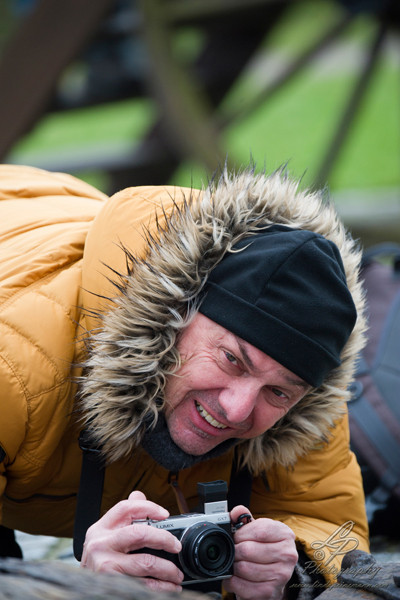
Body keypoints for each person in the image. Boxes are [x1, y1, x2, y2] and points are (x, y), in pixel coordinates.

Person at [0, 164, 369, 599]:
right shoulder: (16, 366)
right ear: (175, 315)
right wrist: (77, 585)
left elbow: (333, 526)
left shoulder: (302, 393)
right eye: (233, 359)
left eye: (277, 391)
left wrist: (295, 566)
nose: (237, 410)